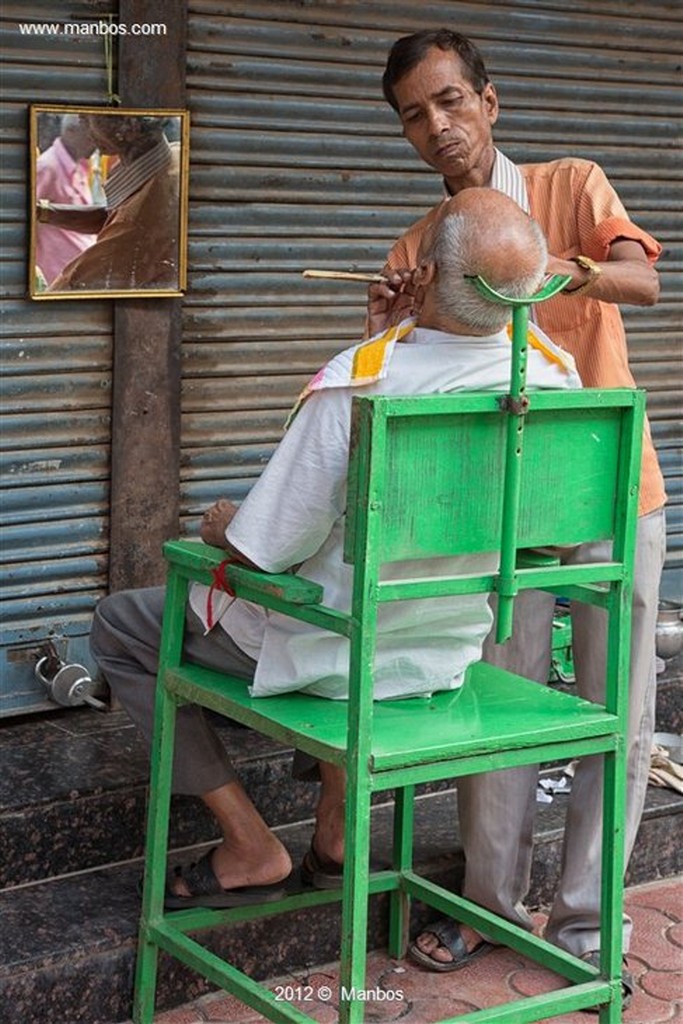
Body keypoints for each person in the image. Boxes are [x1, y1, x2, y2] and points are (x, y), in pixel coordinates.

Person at [90, 188, 580, 908]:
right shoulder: (551, 379)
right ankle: (336, 835)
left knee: (124, 624)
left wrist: (224, 525)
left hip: (329, 655)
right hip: (442, 654)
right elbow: (555, 537)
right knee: (354, 585)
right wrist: (396, 333)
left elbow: (265, 550)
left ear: (432, 272)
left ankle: (250, 845)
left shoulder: (366, 382)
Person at [368, 29, 665, 1002]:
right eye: (416, 115)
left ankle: (586, 924)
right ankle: (487, 904)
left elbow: (642, 278)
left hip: (613, 495)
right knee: (487, 712)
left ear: (489, 102)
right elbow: (393, 391)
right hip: (498, 514)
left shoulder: (572, 185)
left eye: (451, 100)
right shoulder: (417, 246)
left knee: (609, 716)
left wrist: (561, 274)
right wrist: (386, 329)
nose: (438, 126)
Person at [47, 114, 181, 292]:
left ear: (131, 125)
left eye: (89, 116)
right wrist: (43, 212)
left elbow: (66, 289)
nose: (81, 120)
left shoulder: (135, 224)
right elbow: (113, 215)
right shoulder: (176, 155)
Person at [34, 114, 98, 285]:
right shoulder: (47, 167)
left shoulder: (82, 165)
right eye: (91, 136)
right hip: (58, 275)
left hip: (81, 272)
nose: (97, 143)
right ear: (71, 132)